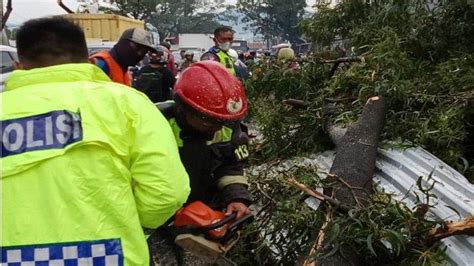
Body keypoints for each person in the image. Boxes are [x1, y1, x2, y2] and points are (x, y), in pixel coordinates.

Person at [1, 17, 190, 265]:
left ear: (17, 65)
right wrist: (133, 225)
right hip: (110, 256)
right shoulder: (129, 104)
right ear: (87, 59)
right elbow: (167, 191)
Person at [89, 27, 156, 86]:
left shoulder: (126, 72)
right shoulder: (101, 65)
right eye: (137, 47)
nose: (140, 53)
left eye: (145, 51)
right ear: (123, 43)